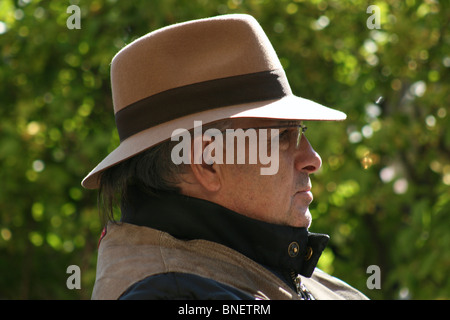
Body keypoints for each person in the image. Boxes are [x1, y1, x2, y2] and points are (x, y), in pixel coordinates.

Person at [82, 14, 368, 300]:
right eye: (283, 136)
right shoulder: (171, 294)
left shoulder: (259, 270)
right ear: (208, 162)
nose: (312, 159)